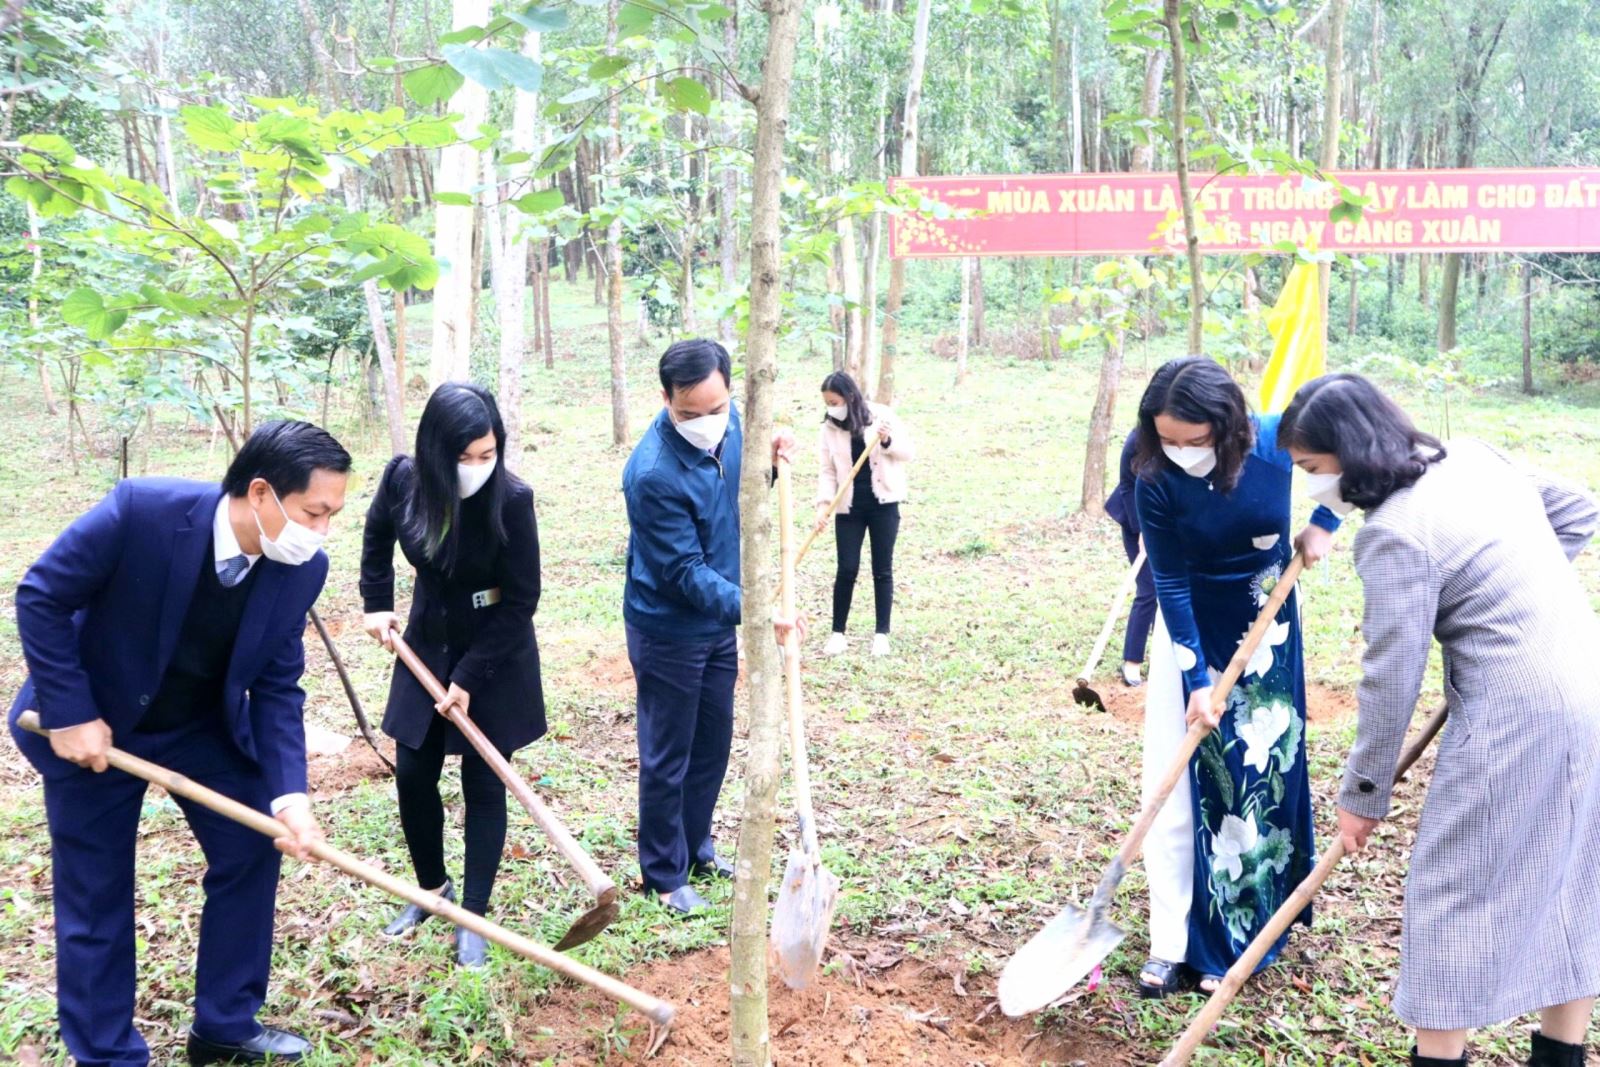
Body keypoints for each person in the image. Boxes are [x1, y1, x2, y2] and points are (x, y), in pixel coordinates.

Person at [1280, 373, 1600, 1067]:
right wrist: (1514, 601)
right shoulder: (1475, 457)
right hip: (1587, 683)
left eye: (1311, 468)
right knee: (1575, 870)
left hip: (1517, 716)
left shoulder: (1394, 533)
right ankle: (1561, 1056)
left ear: (1348, 453)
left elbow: (1390, 680)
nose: (1310, 484)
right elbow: (1577, 512)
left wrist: (1363, 795)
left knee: (1452, 891)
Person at [7, 421, 351, 1067]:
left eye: (333, 514)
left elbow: (279, 686)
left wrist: (290, 792)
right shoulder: (143, 511)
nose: (322, 530)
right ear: (259, 492)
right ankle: (107, 1053)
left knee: (253, 844)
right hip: (92, 728)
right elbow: (42, 595)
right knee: (96, 890)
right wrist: (72, 710)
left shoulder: (301, 568)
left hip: (199, 726)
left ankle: (224, 1024)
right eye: (314, 512)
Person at [1131, 356, 1339, 998]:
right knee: (1174, 781)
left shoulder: (1278, 441)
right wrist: (1194, 676)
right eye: (1168, 438)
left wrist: (1324, 523)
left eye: (1195, 441)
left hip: (1268, 628)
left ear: (1228, 426)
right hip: (1188, 629)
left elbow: (1353, 461)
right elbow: (1167, 578)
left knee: (1253, 779)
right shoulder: (1154, 477)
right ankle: (1170, 943)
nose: (1181, 452)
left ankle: (1240, 933)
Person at [360, 383, 543, 970]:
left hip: (494, 652)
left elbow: (521, 600)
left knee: (485, 783)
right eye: (463, 458)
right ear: (435, 452)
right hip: (425, 644)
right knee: (414, 771)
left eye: (486, 455)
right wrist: (376, 600)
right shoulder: (402, 481)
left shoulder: (512, 499)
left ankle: (475, 916)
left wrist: (469, 675)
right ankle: (433, 891)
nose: (476, 468)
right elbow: (375, 536)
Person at [622, 338, 797, 915]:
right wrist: (757, 610)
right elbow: (683, 572)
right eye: (689, 413)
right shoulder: (651, 474)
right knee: (668, 754)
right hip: (669, 628)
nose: (706, 423)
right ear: (666, 400)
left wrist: (770, 464)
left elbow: (742, 497)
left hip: (721, 620)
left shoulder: (734, 423)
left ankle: (696, 847)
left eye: (716, 409)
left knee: (712, 744)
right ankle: (663, 876)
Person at [812, 371, 914, 658]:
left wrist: (886, 441)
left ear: (850, 397)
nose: (831, 407)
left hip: (884, 505)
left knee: (882, 569)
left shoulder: (881, 416)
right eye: (827, 402)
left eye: (835, 401)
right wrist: (823, 505)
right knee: (846, 568)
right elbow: (827, 471)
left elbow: (908, 452)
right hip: (849, 508)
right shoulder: (829, 428)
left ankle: (881, 634)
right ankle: (837, 633)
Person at [1104, 427, 1156, 687]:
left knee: (1173, 589)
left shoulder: (1192, 439)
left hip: (1173, 521)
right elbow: (1127, 485)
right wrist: (1142, 529)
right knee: (1149, 588)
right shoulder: (1139, 438)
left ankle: (1163, 660)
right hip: (1135, 520)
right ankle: (1132, 662)